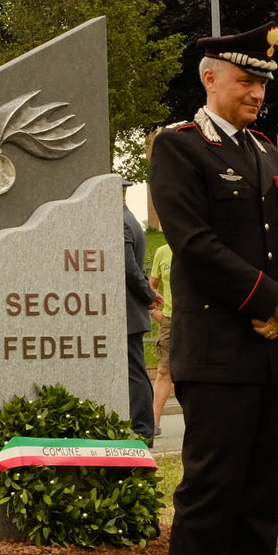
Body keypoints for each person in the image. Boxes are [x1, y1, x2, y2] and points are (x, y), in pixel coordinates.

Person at [149, 21, 278, 555]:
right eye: (246, 80)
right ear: (209, 77)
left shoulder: (267, 150)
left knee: (259, 500)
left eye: (263, 82)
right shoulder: (179, 148)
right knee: (210, 502)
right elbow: (194, 245)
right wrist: (268, 298)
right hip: (217, 356)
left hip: (270, 353)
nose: (257, 92)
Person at [122, 178, 160, 444]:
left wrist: (147, 295)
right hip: (131, 310)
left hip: (128, 311)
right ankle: (142, 427)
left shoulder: (121, 222)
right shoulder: (131, 219)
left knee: (134, 373)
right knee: (134, 370)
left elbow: (128, 267)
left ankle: (143, 429)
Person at [148, 240, 175, 436]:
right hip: (169, 320)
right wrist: (154, 311)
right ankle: (154, 423)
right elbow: (152, 286)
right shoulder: (162, 252)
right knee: (164, 370)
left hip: (195, 319)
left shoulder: (196, 246)